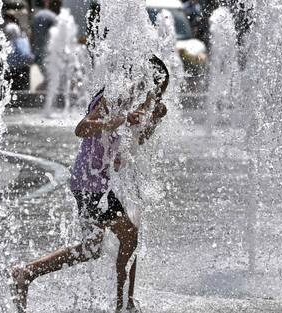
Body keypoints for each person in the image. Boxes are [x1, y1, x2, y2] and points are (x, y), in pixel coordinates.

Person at [10, 55, 169, 313]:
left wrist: (151, 122)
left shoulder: (132, 104)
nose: (157, 98)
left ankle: (27, 272)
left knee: (93, 247)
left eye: (160, 94)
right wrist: (125, 119)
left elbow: (128, 148)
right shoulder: (114, 98)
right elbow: (83, 128)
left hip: (96, 181)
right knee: (129, 236)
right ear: (144, 83)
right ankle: (123, 305)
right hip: (90, 182)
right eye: (156, 91)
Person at [31, 0, 62, 89]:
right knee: (52, 77)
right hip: (49, 51)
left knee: (47, 76)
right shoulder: (53, 17)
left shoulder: (37, 15)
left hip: (38, 50)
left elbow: (32, 34)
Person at [4, 22, 34, 90]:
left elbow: (26, 56)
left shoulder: (17, 42)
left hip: (15, 71)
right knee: (22, 94)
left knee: (14, 94)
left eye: (9, 33)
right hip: (22, 70)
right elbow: (28, 57)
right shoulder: (23, 40)